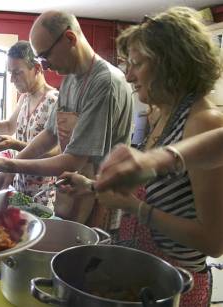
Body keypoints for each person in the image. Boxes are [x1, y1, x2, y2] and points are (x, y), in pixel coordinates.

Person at [59, 7, 223, 306]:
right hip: (143, 275)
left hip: (177, 287)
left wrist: (135, 208)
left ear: (171, 63)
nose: (130, 75)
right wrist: (91, 186)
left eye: (137, 63)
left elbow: (214, 242)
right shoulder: (161, 113)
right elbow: (161, 188)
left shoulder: (204, 122)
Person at [0, 10, 132, 226]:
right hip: (73, 195)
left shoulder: (105, 82)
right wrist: (10, 165)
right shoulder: (71, 79)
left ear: (70, 39)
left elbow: (74, 159)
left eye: (45, 56)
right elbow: (49, 134)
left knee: (89, 256)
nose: (44, 66)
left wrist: (8, 165)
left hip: (99, 201)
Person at [0, 40, 59, 205]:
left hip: (42, 196)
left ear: (36, 69)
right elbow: (8, 127)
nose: (12, 80)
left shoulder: (55, 101)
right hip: (19, 188)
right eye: (10, 73)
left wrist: (15, 145)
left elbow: (57, 153)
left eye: (17, 73)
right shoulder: (24, 98)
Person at [95, 128, 223, 193]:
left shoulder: (203, 121)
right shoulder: (162, 118)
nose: (129, 79)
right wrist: (91, 186)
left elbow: (211, 238)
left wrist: (153, 160)